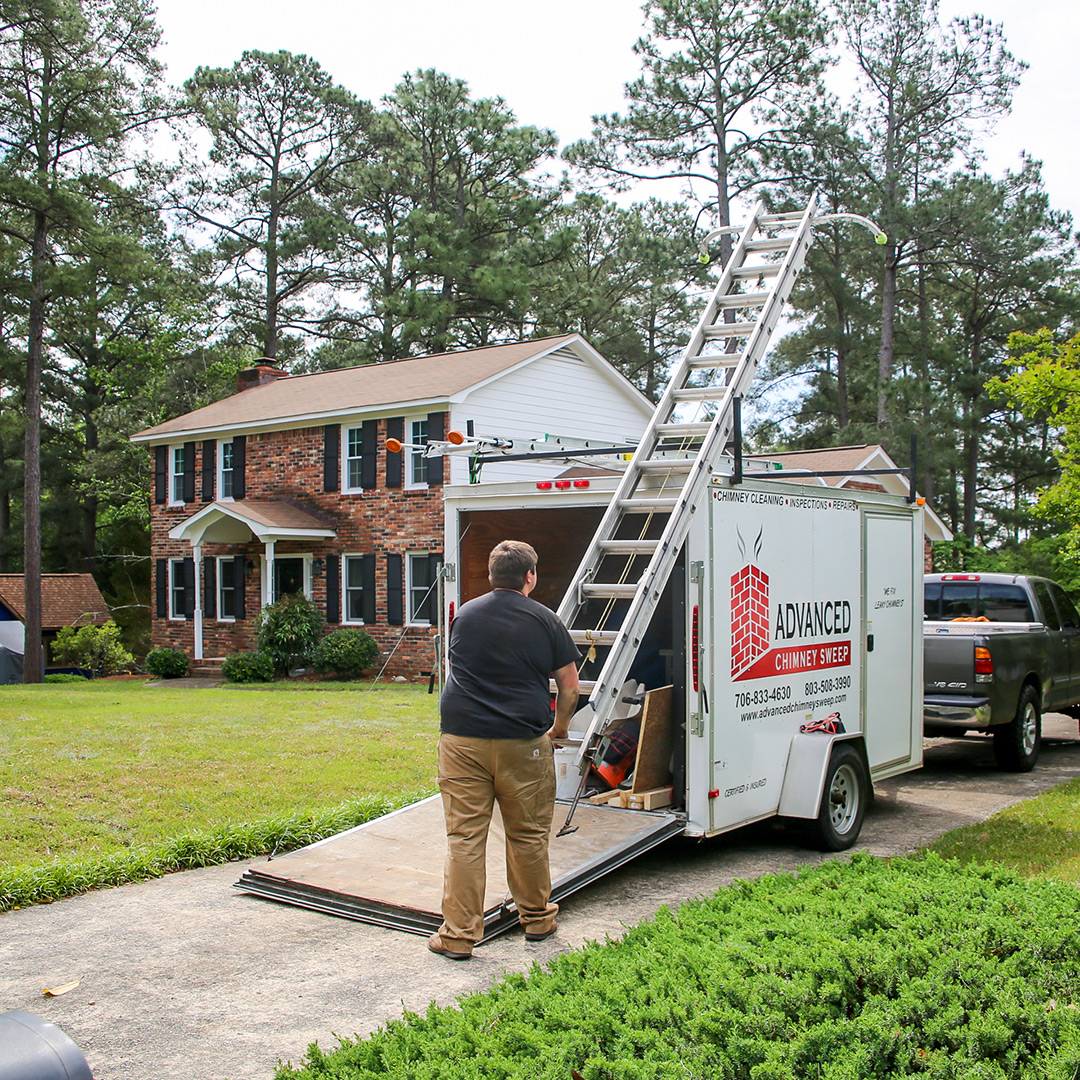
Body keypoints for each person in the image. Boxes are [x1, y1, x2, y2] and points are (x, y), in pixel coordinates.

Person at [429, 539, 580, 960]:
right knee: (528, 836)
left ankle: (457, 937)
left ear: (491, 575)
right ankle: (537, 920)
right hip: (523, 743)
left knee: (464, 838)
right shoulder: (546, 620)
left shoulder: (464, 615)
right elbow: (570, 687)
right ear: (530, 576)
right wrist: (559, 729)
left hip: (462, 741)